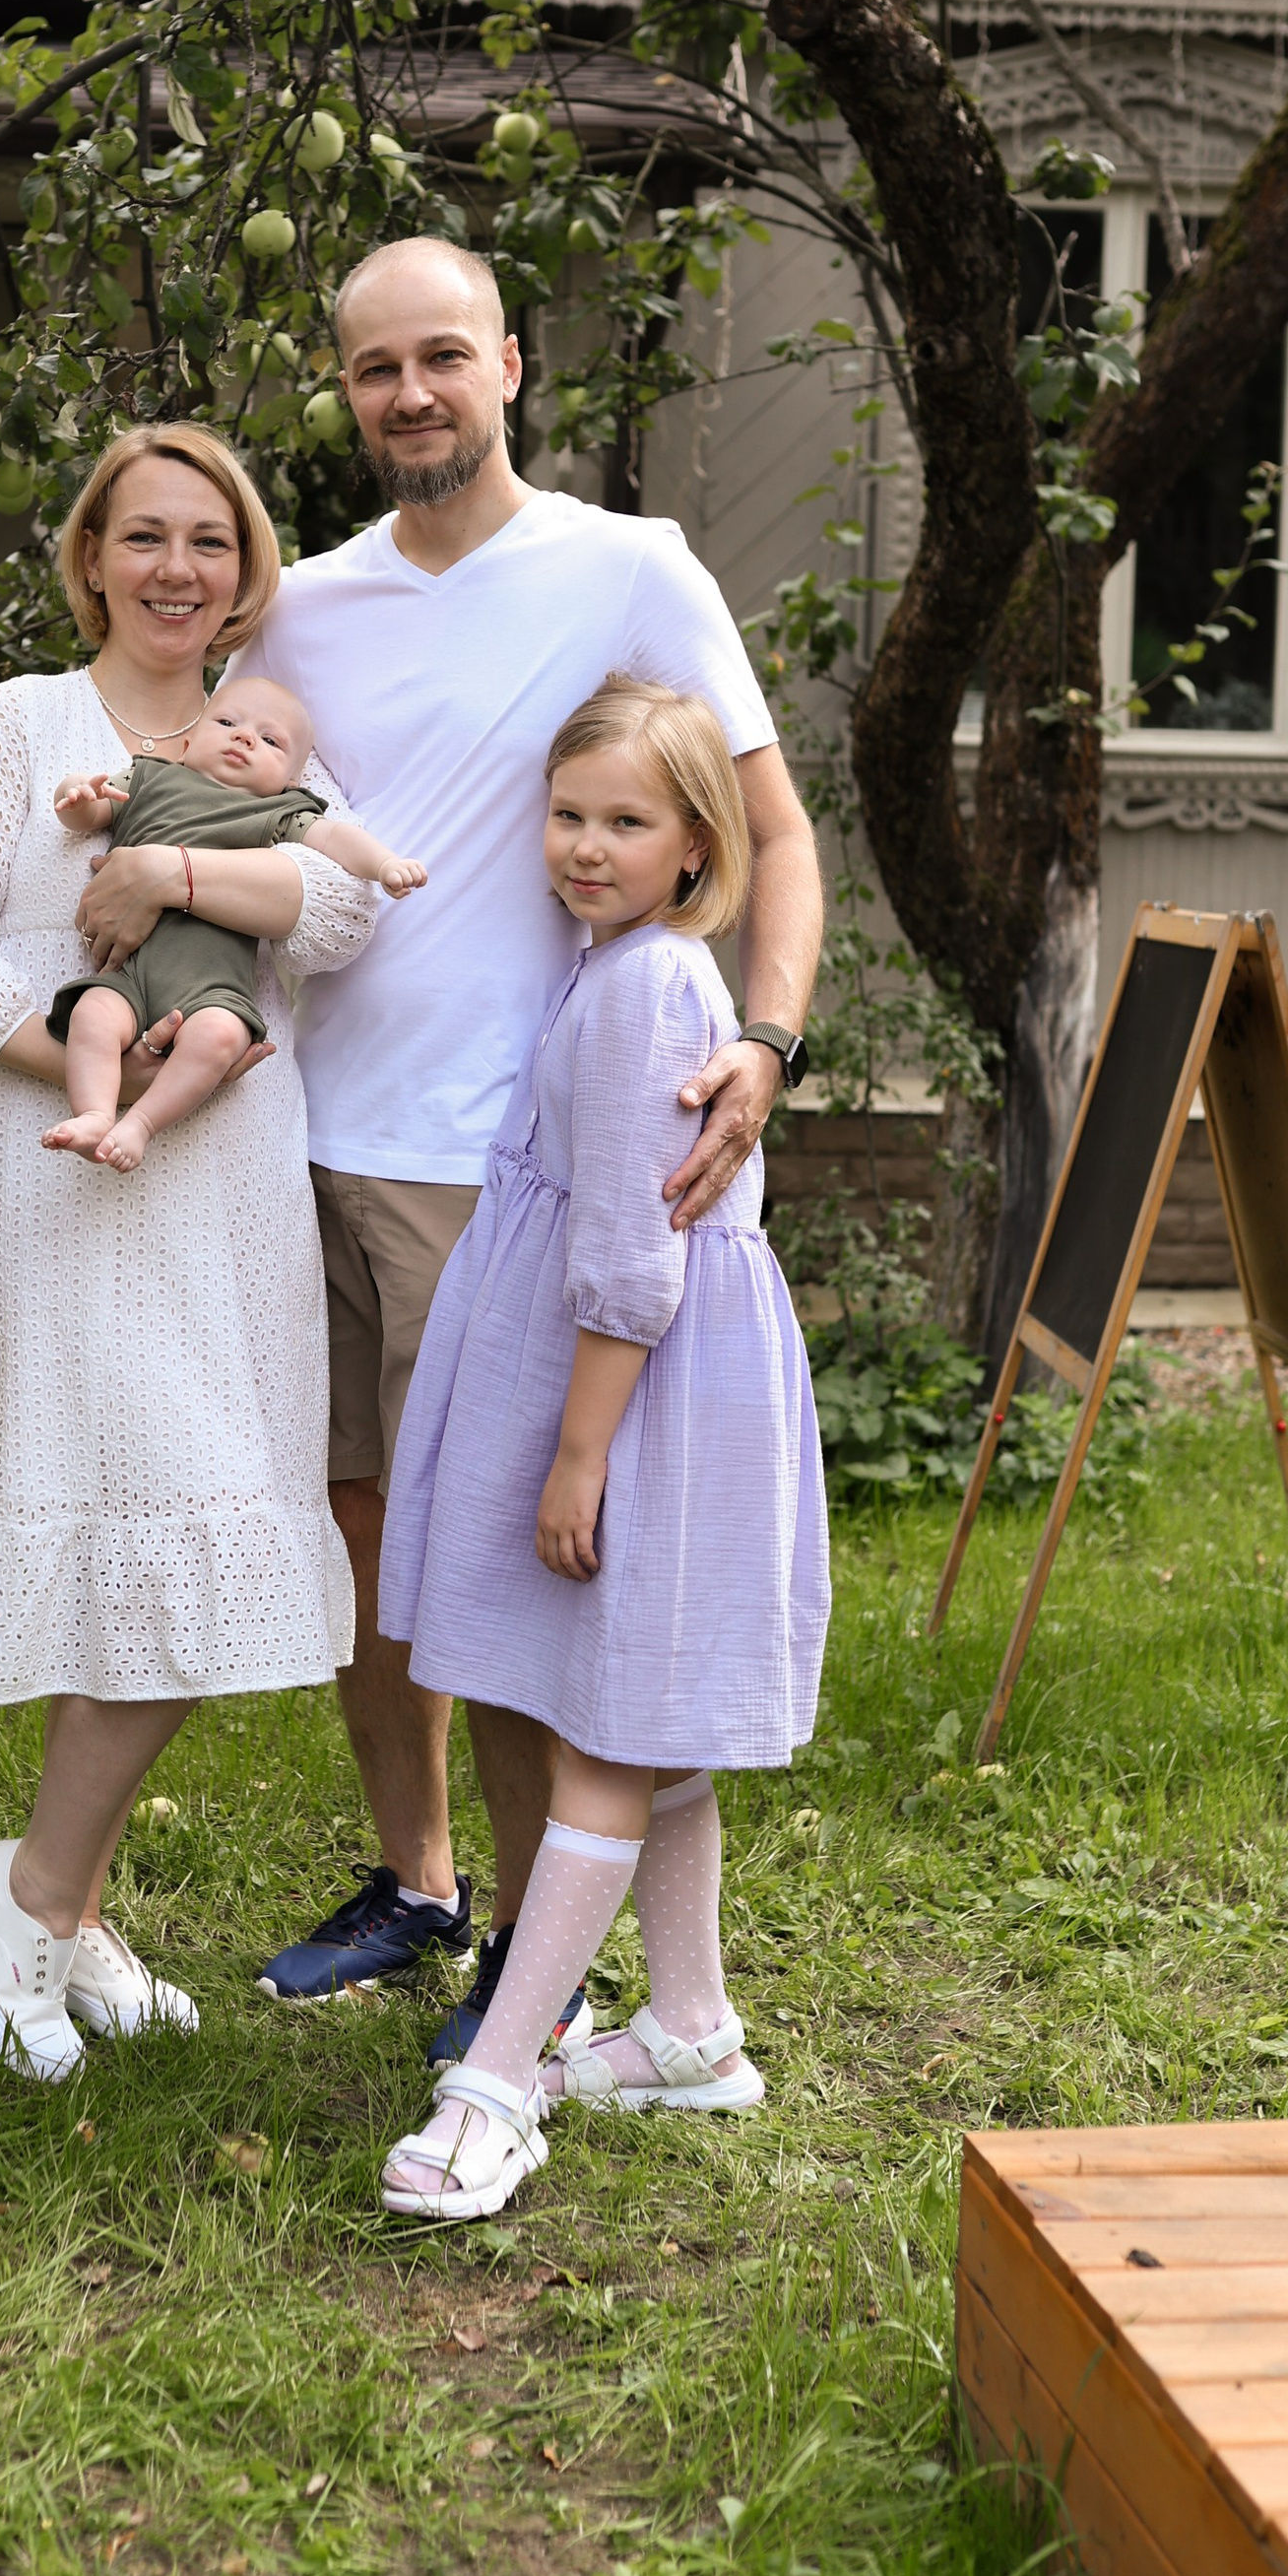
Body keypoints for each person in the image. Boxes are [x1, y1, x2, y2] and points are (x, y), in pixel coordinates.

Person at [0, 238, 822, 2047]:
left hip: (497, 1158)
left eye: (441, 359)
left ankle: (529, 1989)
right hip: (280, 1139)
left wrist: (769, 1041)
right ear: (344, 390)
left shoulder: (629, 566)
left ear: (506, 363)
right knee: (362, 1546)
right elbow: (157, 719)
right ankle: (422, 1881)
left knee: (488, 1568)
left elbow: (774, 836)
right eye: (372, 369)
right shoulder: (299, 605)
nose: (409, 394)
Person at [0, 424, 381, 2084]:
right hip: (60, 1155)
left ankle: (42, 1897)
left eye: (209, 543)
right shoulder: (18, 724)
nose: (176, 569)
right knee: (136, 1509)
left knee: (196, 1516)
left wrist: (172, 868)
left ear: (246, 573)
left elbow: (352, 910)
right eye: (144, 538)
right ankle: (33, 1901)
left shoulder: (268, 736)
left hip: (221, 1187)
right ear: (91, 558)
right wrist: (70, 1056)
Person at [374, 679, 828, 2219]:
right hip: (623, 1381)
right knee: (638, 1710)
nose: (585, 845)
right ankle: (692, 2030)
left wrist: (580, 1456)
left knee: (605, 1735)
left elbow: (635, 1258)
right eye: (568, 815)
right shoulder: (614, 965)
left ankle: (498, 2082)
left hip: (638, 1396)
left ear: (698, 843)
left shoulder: (649, 989)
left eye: (626, 822)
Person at [43, 677, 426, 1170]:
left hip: (214, 985)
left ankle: (140, 1123)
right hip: (128, 973)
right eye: (226, 723)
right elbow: (89, 810)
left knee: (221, 1038)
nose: (245, 737)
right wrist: (74, 793)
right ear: (185, 745)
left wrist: (384, 864)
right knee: (92, 1016)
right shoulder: (150, 778)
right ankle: (94, 1113)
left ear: (291, 781)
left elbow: (338, 840)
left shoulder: (277, 812)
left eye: (270, 741)